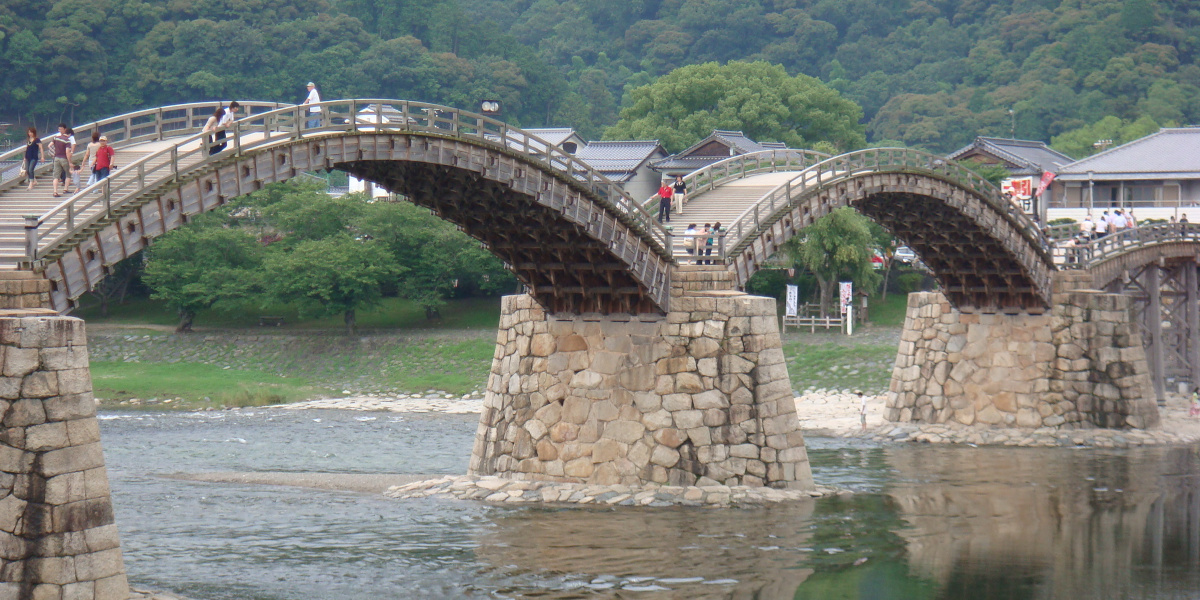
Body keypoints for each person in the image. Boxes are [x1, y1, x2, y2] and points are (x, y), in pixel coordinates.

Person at [45, 123, 74, 197]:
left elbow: (49, 145)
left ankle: (55, 191)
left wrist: (53, 152)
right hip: (64, 158)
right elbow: (67, 152)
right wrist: (70, 162)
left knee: (56, 176)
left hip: (56, 158)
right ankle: (65, 189)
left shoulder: (55, 138)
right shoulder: (67, 140)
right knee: (68, 174)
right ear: (65, 129)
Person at [21, 127, 43, 191]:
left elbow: (41, 148)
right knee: (27, 170)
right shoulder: (28, 140)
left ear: (34, 132)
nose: (30, 133)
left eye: (31, 132)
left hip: (34, 157)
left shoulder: (37, 140)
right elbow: (27, 149)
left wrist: (42, 156)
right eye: (29, 132)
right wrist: (25, 157)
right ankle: (34, 181)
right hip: (28, 157)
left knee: (31, 169)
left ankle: (31, 184)